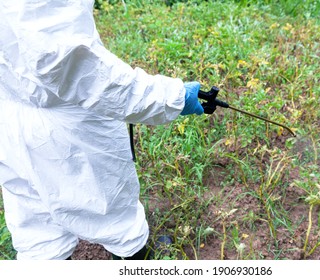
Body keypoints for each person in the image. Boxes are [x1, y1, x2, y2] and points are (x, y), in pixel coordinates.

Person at [0, 0, 204, 260]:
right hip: (68, 124)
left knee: (35, 221)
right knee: (114, 211)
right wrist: (170, 97)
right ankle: (136, 261)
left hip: (6, 113)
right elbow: (73, 67)